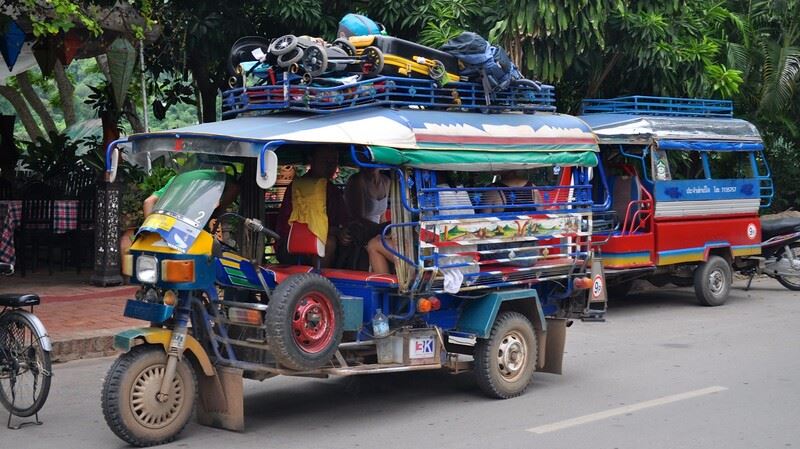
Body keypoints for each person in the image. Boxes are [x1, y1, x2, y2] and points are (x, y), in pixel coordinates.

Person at [275, 145, 349, 267]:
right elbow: (302, 225)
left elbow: (343, 219)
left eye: (334, 161)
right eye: (325, 160)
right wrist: (336, 232)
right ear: (311, 160)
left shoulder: (333, 190)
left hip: (331, 241)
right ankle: (318, 281)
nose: (330, 165)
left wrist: (345, 232)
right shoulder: (298, 188)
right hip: (292, 243)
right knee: (328, 243)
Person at [344, 168, 394, 273]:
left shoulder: (386, 181)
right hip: (360, 229)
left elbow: (382, 216)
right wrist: (382, 229)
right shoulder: (357, 181)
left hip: (376, 229)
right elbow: (357, 217)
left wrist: (384, 231)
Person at [142, 169, 241, 219]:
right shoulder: (225, 180)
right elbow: (235, 188)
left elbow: (148, 201)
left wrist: (149, 228)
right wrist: (220, 209)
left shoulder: (176, 179)